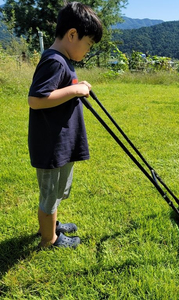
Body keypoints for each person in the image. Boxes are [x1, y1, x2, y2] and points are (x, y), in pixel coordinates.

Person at [28, 2, 103, 249]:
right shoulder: (55, 61)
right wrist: (74, 89)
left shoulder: (62, 59)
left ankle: (53, 225)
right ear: (72, 34)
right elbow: (36, 99)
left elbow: (59, 89)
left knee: (57, 190)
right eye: (88, 44)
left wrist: (75, 86)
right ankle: (49, 240)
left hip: (61, 143)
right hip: (51, 145)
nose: (88, 50)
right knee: (49, 196)